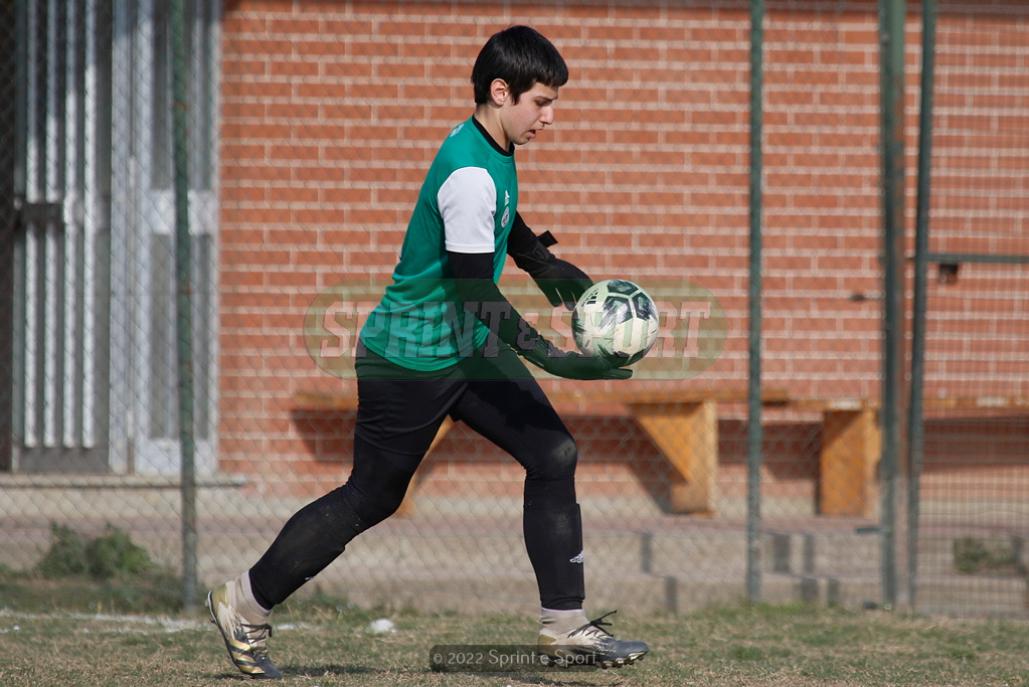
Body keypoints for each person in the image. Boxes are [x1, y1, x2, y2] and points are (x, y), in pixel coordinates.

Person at [207, 25, 649, 679]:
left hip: (465, 347)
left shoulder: (490, 146)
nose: (550, 117)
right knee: (371, 496)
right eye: (542, 102)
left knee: (553, 452)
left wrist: (542, 263)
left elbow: (503, 220)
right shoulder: (468, 173)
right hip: (408, 359)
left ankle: (564, 626)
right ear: (501, 91)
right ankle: (243, 604)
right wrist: (554, 357)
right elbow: (474, 291)